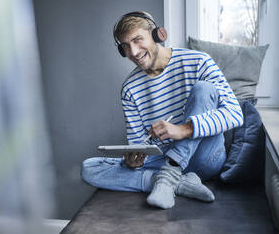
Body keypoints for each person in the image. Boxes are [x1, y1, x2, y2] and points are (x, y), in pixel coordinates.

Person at [81, 11, 243, 209]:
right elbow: (139, 143)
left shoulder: (200, 61)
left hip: (205, 156)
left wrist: (184, 129)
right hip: (160, 161)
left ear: (157, 34)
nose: (133, 51)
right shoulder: (129, 89)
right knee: (89, 168)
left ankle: (169, 176)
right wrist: (136, 161)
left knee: (204, 88)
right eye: (125, 46)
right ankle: (179, 183)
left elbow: (235, 114)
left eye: (137, 40)